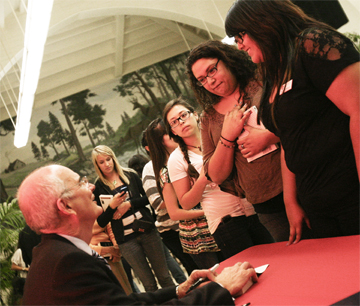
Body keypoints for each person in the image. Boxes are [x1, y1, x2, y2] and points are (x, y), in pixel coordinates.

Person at [17, 164, 258, 305]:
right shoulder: (66, 264)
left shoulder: (55, 255)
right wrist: (220, 289)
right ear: (66, 207)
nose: (90, 187)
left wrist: (178, 289)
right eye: (81, 183)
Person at [225, 0, 360, 244]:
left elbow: (358, 111)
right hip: (316, 205)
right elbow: (289, 138)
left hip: (351, 193)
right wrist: (291, 201)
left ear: (262, 22)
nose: (239, 44)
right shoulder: (274, 69)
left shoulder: (311, 43)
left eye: (240, 35)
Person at [186, 40, 291, 243]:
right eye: (202, 79)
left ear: (227, 60)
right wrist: (227, 136)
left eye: (212, 70)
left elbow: (302, 118)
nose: (210, 81)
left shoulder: (262, 82)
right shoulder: (208, 117)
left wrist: (269, 137)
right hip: (265, 203)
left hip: (302, 179)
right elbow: (215, 174)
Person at [163, 97, 274, 260]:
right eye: (174, 122)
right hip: (225, 222)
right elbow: (186, 203)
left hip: (254, 208)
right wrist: (203, 178)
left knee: (276, 260)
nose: (181, 122)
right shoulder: (176, 159)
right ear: (173, 131)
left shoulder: (217, 135)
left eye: (183, 115)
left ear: (194, 114)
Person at [91, 145, 174, 292]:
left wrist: (129, 204)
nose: (107, 164)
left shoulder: (130, 174)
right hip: (126, 241)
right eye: (101, 162)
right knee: (148, 284)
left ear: (113, 158)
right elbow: (102, 221)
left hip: (147, 231)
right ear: (97, 165)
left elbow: (149, 198)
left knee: (165, 277)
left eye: (108, 159)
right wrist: (112, 207)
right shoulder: (98, 187)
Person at [142, 119, 199, 274]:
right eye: (167, 132)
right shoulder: (153, 169)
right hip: (175, 228)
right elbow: (157, 202)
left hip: (196, 220)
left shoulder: (186, 154)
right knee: (196, 267)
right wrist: (185, 197)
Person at [129, 151, 188, 284]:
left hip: (160, 223)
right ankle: (183, 281)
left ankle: (182, 283)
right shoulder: (152, 174)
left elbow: (152, 201)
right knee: (169, 258)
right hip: (163, 222)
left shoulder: (141, 179)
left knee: (172, 258)